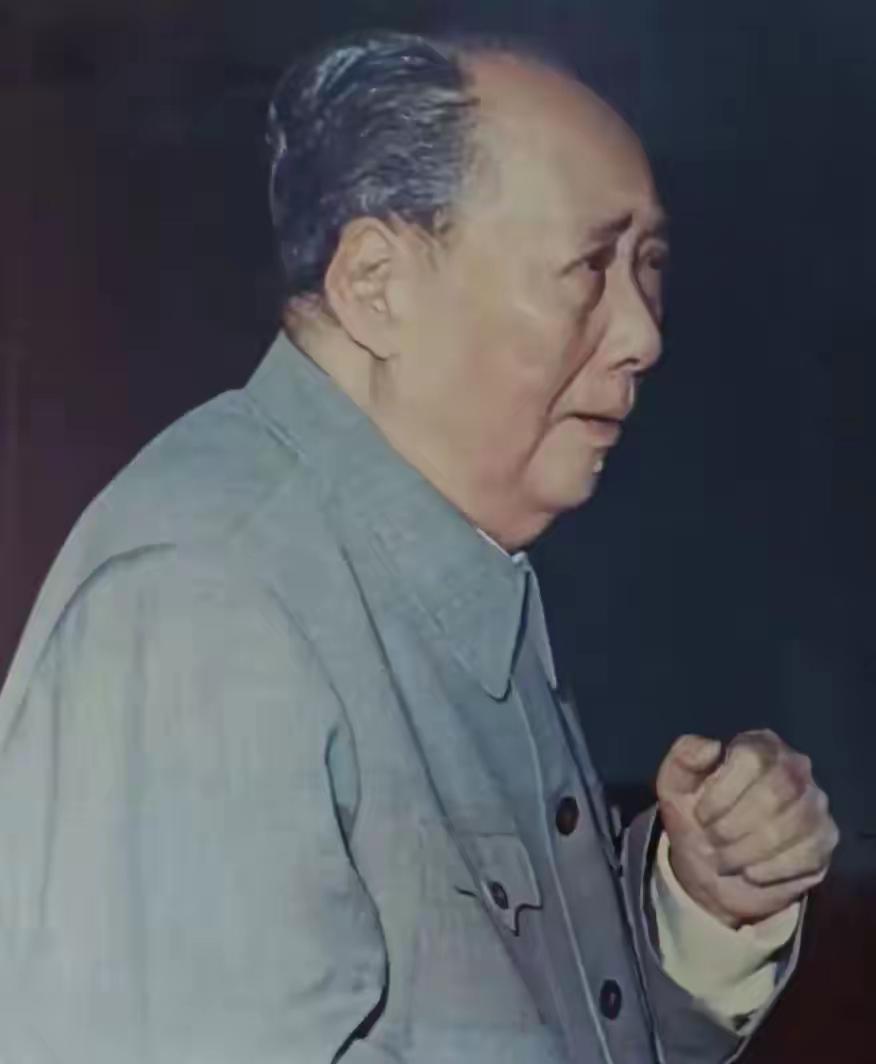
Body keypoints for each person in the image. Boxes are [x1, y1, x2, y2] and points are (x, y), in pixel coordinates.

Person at [0, 29, 838, 1064]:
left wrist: (703, 900)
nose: (643, 334)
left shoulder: (424, 559)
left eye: (649, 266)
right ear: (377, 284)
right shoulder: (203, 601)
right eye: (589, 265)